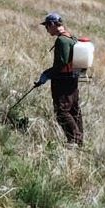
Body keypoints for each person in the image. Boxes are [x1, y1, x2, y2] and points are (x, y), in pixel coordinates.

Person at [35, 12, 83, 145]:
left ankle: (73, 140)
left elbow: (61, 63)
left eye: (47, 26)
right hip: (73, 79)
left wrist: (46, 75)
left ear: (52, 24)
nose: (46, 29)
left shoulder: (61, 40)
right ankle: (79, 141)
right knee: (74, 109)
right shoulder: (71, 37)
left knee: (62, 111)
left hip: (63, 80)